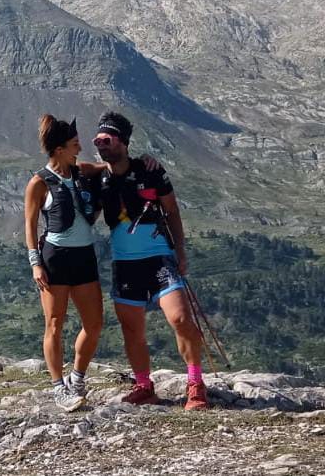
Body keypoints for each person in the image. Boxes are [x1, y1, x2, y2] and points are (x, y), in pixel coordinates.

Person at [92, 111, 208, 410]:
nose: (100, 145)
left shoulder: (151, 170)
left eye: (106, 140)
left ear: (123, 142)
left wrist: (180, 251)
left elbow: (172, 212)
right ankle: (144, 386)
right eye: (97, 140)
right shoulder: (97, 177)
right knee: (133, 330)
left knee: (180, 319)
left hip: (159, 259)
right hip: (125, 264)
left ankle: (195, 383)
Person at [24, 115, 104, 412]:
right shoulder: (38, 183)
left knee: (94, 324)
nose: (80, 148)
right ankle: (59, 388)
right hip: (55, 259)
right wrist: (35, 264)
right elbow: (30, 227)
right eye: (74, 144)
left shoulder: (82, 170)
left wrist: (139, 162)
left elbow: (110, 168)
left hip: (84, 257)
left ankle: (78, 378)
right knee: (54, 324)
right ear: (59, 149)